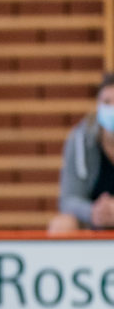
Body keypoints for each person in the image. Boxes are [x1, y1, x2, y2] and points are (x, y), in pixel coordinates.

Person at [47, 71, 114, 233]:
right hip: (93, 224)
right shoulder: (80, 140)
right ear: (97, 106)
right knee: (62, 225)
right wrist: (93, 212)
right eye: (107, 102)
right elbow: (67, 201)